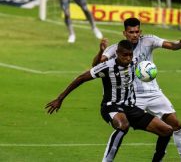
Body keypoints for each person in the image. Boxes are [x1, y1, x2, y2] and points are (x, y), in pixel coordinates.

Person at [45, 39, 173, 162]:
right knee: (123, 125)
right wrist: (60, 98)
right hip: (111, 106)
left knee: (167, 130)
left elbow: (143, 68)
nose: (128, 58)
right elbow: (81, 78)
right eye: (124, 55)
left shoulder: (134, 63)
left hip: (130, 108)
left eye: (130, 55)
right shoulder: (107, 67)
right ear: (117, 53)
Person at [92, 18, 181, 162]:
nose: (135, 35)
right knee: (122, 128)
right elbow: (96, 65)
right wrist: (101, 50)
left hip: (154, 93)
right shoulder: (116, 49)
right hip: (132, 97)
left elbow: (169, 45)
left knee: (176, 125)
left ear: (141, 31)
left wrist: (180, 45)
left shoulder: (148, 40)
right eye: (131, 32)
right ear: (125, 33)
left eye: (137, 31)